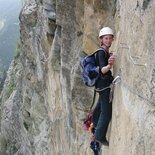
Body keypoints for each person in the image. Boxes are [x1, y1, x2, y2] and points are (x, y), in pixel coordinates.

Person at [91, 27, 115, 146]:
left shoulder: (104, 51)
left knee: (101, 104)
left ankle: (94, 122)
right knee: (106, 112)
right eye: (106, 38)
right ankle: (99, 135)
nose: (108, 40)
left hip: (101, 85)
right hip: (104, 85)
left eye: (110, 38)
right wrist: (109, 65)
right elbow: (102, 70)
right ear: (101, 39)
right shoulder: (101, 52)